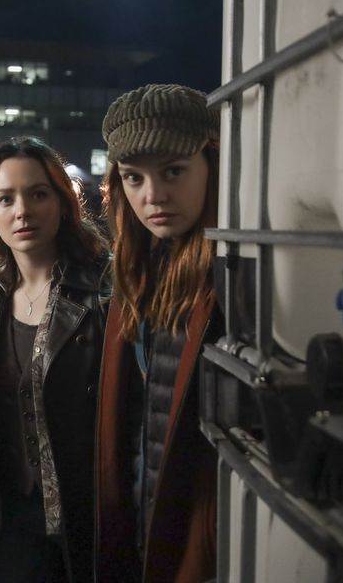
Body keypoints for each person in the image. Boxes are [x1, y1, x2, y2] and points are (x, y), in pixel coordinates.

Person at [0, 136, 109, 582]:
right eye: (6, 198)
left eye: (38, 194)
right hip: (3, 520)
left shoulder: (102, 293)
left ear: (62, 204)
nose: (23, 211)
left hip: (78, 519)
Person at [93, 84, 222, 582]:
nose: (153, 196)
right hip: (142, 519)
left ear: (211, 163)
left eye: (173, 171)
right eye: (134, 177)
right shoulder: (137, 271)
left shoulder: (231, 277)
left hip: (197, 538)